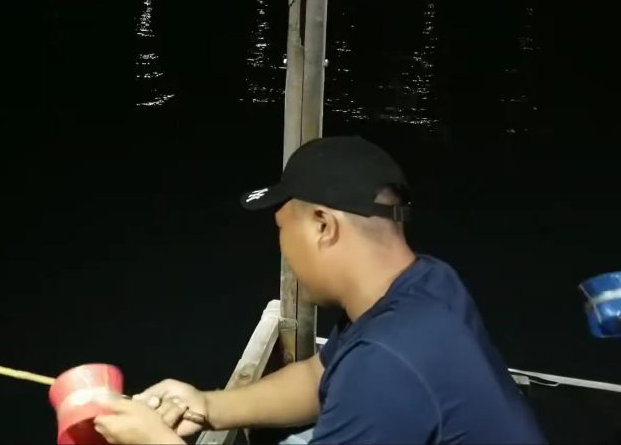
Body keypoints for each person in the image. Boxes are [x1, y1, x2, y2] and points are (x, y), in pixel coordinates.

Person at [94, 135, 546, 444]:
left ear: (323, 226)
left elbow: (369, 377)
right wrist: (208, 405)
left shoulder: (385, 366)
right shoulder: (430, 281)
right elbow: (320, 377)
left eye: (281, 228)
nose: (282, 248)